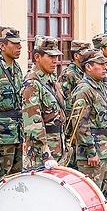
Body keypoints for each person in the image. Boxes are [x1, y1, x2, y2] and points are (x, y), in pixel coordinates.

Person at [70, 49, 107, 211]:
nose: (105, 67)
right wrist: (90, 151)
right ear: (89, 67)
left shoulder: (100, 86)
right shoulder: (84, 89)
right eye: (101, 64)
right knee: (91, 192)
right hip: (93, 150)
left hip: (106, 147)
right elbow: (80, 123)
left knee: (103, 191)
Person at [21, 35, 66, 169]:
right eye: (50, 57)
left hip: (58, 147)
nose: (55, 61)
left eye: (56, 57)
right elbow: (33, 124)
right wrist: (45, 153)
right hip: (42, 154)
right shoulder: (32, 84)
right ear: (37, 57)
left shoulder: (51, 80)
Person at [0, 26, 25, 178]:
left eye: (20, 44)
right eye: (15, 44)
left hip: (17, 132)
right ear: (2, 46)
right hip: (3, 135)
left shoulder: (17, 68)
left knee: (16, 177)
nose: (20, 47)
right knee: (1, 177)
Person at [59, 40, 91, 115]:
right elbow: (66, 103)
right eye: (85, 54)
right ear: (76, 56)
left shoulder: (86, 71)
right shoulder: (67, 74)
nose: (88, 57)